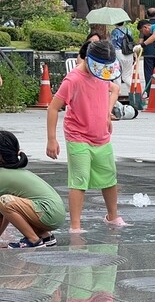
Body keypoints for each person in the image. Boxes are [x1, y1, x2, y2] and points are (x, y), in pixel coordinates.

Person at [46, 40, 128, 234]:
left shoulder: (102, 74)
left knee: (109, 178)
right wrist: (51, 139)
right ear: (89, 60)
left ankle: (112, 216)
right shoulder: (73, 79)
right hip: (78, 135)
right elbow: (53, 107)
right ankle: (75, 225)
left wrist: (107, 113)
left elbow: (115, 89)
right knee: (79, 179)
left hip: (101, 136)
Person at [0, 130, 65, 249]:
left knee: (5, 201)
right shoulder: (11, 173)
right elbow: (5, 214)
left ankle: (33, 240)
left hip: (48, 212)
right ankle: (45, 237)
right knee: (6, 203)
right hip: (54, 212)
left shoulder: (0, 179)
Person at [110, 21, 134, 94]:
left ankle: (117, 92)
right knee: (127, 75)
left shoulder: (114, 32)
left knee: (117, 74)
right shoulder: (128, 30)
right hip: (129, 53)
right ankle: (133, 90)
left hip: (118, 53)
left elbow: (113, 44)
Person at [140, 7, 155, 87]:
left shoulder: (144, 26)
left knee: (148, 73)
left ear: (147, 15)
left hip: (148, 52)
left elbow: (140, 41)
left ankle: (149, 91)